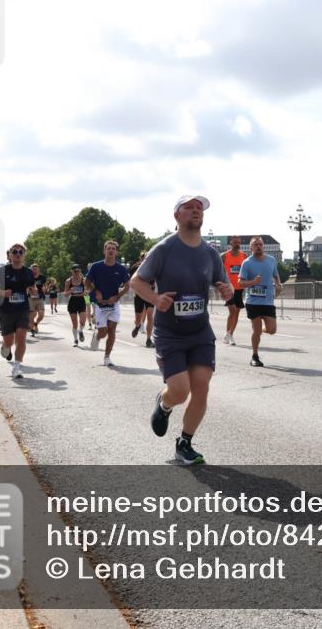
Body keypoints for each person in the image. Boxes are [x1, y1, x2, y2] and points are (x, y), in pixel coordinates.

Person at [130, 195, 232, 465]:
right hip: (170, 334)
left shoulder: (210, 253)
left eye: (199, 208)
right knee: (179, 391)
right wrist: (155, 299)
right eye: (189, 208)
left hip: (200, 333)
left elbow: (225, 284)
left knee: (201, 388)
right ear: (177, 216)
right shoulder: (164, 249)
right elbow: (137, 281)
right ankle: (164, 405)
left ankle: (184, 443)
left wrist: (227, 289)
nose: (195, 211)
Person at [0, 244, 36, 379]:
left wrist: (33, 290)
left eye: (21, 252)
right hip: (6, 310)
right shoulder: (2, 271)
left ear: (24, 255)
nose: (18, 254)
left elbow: (32, 287)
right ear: (9, 255)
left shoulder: (28, 272)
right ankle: (5, 347)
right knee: (9, 342)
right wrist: (2, 292)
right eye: (15, 252)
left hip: (22, 309)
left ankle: (17, 367)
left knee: (21, 339)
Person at [237, 236, 282, 367]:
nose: (258, 246)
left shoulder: (271, 260)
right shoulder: (247, 263)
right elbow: (240, 283)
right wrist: (253, 282)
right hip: (253, 302)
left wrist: (278, 284)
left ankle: (258, 331)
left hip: (268, 301)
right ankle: (254, 356)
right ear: (251, 248)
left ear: (264, 246)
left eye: (260, 244)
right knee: (257, 331)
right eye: (255, 245)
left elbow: (275, 275)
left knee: (272, 330)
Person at [85, 240, 130, 367]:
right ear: (104, 251)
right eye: (108, 248)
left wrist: (117, 296)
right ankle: (97, 336)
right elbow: (86, 282)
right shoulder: (96, 266)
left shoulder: (120, 269)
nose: (111, 250)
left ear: (116, 252)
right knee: (103, 332)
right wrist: (95, 291)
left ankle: (107, 357)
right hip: (100, 304)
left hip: (113, 304)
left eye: (113, 249)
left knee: (112, 330)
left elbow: (127, 286)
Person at [220, 236, 246, 346]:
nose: (237, 244)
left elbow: (246, 270)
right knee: (233, 310)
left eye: (238, 242)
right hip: (228, 288)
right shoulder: (224, 256)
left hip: (240, 288)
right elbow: (218, 271)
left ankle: (229, 334)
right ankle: (229, 334)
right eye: (235, 242)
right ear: (231, 243)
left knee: (237, 313)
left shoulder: (244, 256)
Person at [129, 251, 156, 348]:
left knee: (150, 315)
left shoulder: (153, 267)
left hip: (149, 294)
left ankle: (149, 339)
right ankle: (137, 326)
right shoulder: (135, 268)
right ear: (141, 259)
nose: (146, 259)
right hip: (139, 294)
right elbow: (131, 281)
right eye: (144, 257)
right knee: (138, 318)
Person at [64, 265, 89, 346]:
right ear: (72, 271)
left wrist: (85, 292)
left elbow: (87, 290)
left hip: (81, 301)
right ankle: (75, 340)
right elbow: (65, 294)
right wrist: (70, 291)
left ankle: (81, 331)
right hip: (73, 301)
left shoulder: (84, 280)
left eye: (78, 271)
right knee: (75, 323)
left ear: (80, 271)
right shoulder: (68, 281)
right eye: (75, 271)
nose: (76, 273)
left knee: (83, 321)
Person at [28, 264, 48, 336]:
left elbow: (45, 286)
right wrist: (31, 290)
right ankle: (32, 329)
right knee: (32, 314)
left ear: (38, 270)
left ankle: (36, 323)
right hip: (31, 298)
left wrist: (45, 289)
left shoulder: (42, 278)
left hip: (40, 297)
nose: (34, 271)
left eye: (36, 269)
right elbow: (25, 287)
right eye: (33, 269)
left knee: (41, 315)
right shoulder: (28, 277)